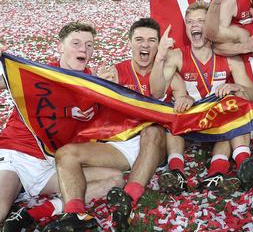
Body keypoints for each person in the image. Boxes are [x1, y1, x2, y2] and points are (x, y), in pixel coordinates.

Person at [43, 19, 192, 232]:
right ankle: (74, 214)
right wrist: (99, 87)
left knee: (152, 130)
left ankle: (127, 199)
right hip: (119, 145)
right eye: (139, 39)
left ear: (159, 45)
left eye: (152, 40)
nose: (145, 45)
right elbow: (88, 107)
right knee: (66, 154)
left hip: (153, 144)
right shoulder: (113, 72)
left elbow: (179, 102)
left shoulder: (170, 74)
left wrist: (184, 100)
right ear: (129, 43)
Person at [0, 23, 124, 230]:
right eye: (76, 43)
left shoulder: (94, 84)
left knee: (115, 179)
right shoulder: (38, 73)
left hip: (52, 164)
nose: (83, 49)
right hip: (18, 155)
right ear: (60, 47)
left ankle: (32, 214)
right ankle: (13, 193)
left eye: (89, 45)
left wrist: (114, 90)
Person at [149, 2, 253, 194]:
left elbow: (252, 94)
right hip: (190, 121)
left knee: (234, 113)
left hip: (218, 123)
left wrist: (236, 87)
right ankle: (176, 171)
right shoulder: (177, 56)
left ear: (210, 25)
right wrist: (159, 58)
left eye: (201, 21)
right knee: (173, 113)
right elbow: (157, 92)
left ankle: (229, 169)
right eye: (190, 22)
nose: (194, 26)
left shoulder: (229, 56)